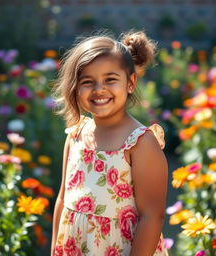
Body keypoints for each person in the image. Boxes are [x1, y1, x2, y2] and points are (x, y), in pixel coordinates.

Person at [50, 30, 169, 256]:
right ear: (75, 87)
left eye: (110, 79)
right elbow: (63, 199)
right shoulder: (75, 135)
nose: (99, 89)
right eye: (87, 82)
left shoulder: (140, 143)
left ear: (130, 82)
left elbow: (153, 216)